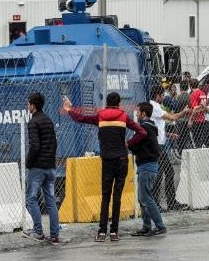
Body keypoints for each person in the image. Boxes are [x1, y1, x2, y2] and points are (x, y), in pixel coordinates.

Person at [63, 92, 147, 242]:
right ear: (119, 103)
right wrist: (129, 143)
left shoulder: (100, 116)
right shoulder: (124, 117)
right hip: (122, 159)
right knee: (117, 196)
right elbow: (142, 132)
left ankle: (102, 232)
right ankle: (114, 232)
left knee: (105, 196)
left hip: (107, 160)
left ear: (107, 103)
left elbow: (81, 118)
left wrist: (69, 109)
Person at [22, 92, 60, 245]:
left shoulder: (33, 122)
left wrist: (28, 163)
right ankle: (55, 235)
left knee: (31, 199)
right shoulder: (48, 120)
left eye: (28, 103)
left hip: (37, 167)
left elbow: (35, 146)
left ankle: (38, 232)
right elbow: (54, 144)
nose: (27, 106)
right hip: (50, 167)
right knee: (50, 201)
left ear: (33, 105)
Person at [129, 102, 167, 237]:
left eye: (138, 112)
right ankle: (146, 226)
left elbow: (135, 145)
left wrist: (130, 145)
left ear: (143, 113)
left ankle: (160, 226)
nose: (137, 114)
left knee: (146, 198)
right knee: (142, 198)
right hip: (147, 166)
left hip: (147, 166)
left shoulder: (144, 128)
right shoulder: (150, 126)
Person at [150, 86, 190, 211]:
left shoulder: (154, 107)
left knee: (167, 172)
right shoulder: (155, 107)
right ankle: (158, 202)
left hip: (159, 144)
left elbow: (156, 128)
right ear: (157, 95)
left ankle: (170, 202)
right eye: (162, 95)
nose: (163, 98)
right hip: (158, 147)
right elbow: (173, 118)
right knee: (161, 173)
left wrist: (168, 135)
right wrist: (184, 112)